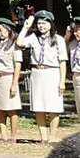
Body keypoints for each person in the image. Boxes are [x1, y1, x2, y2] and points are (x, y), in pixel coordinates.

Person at [17, 11, 68, 144]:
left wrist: (62, 81)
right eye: (39, 23)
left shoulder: (58, 39)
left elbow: (62, 61)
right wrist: (26, 27)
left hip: (52, 73)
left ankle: (52, 136)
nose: (41, 26)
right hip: (37, 73)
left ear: (50, 25)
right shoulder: (34, 37)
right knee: (38, 106)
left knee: (54, 107)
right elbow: (19, 43)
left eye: (44, 23)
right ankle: (43, 137)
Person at [67, 17, 80, 117]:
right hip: (76, 76)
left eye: (78, 31)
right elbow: (62, 44)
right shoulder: (73, 44)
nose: (76, 34)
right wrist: (68, 33)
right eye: (74, 31)